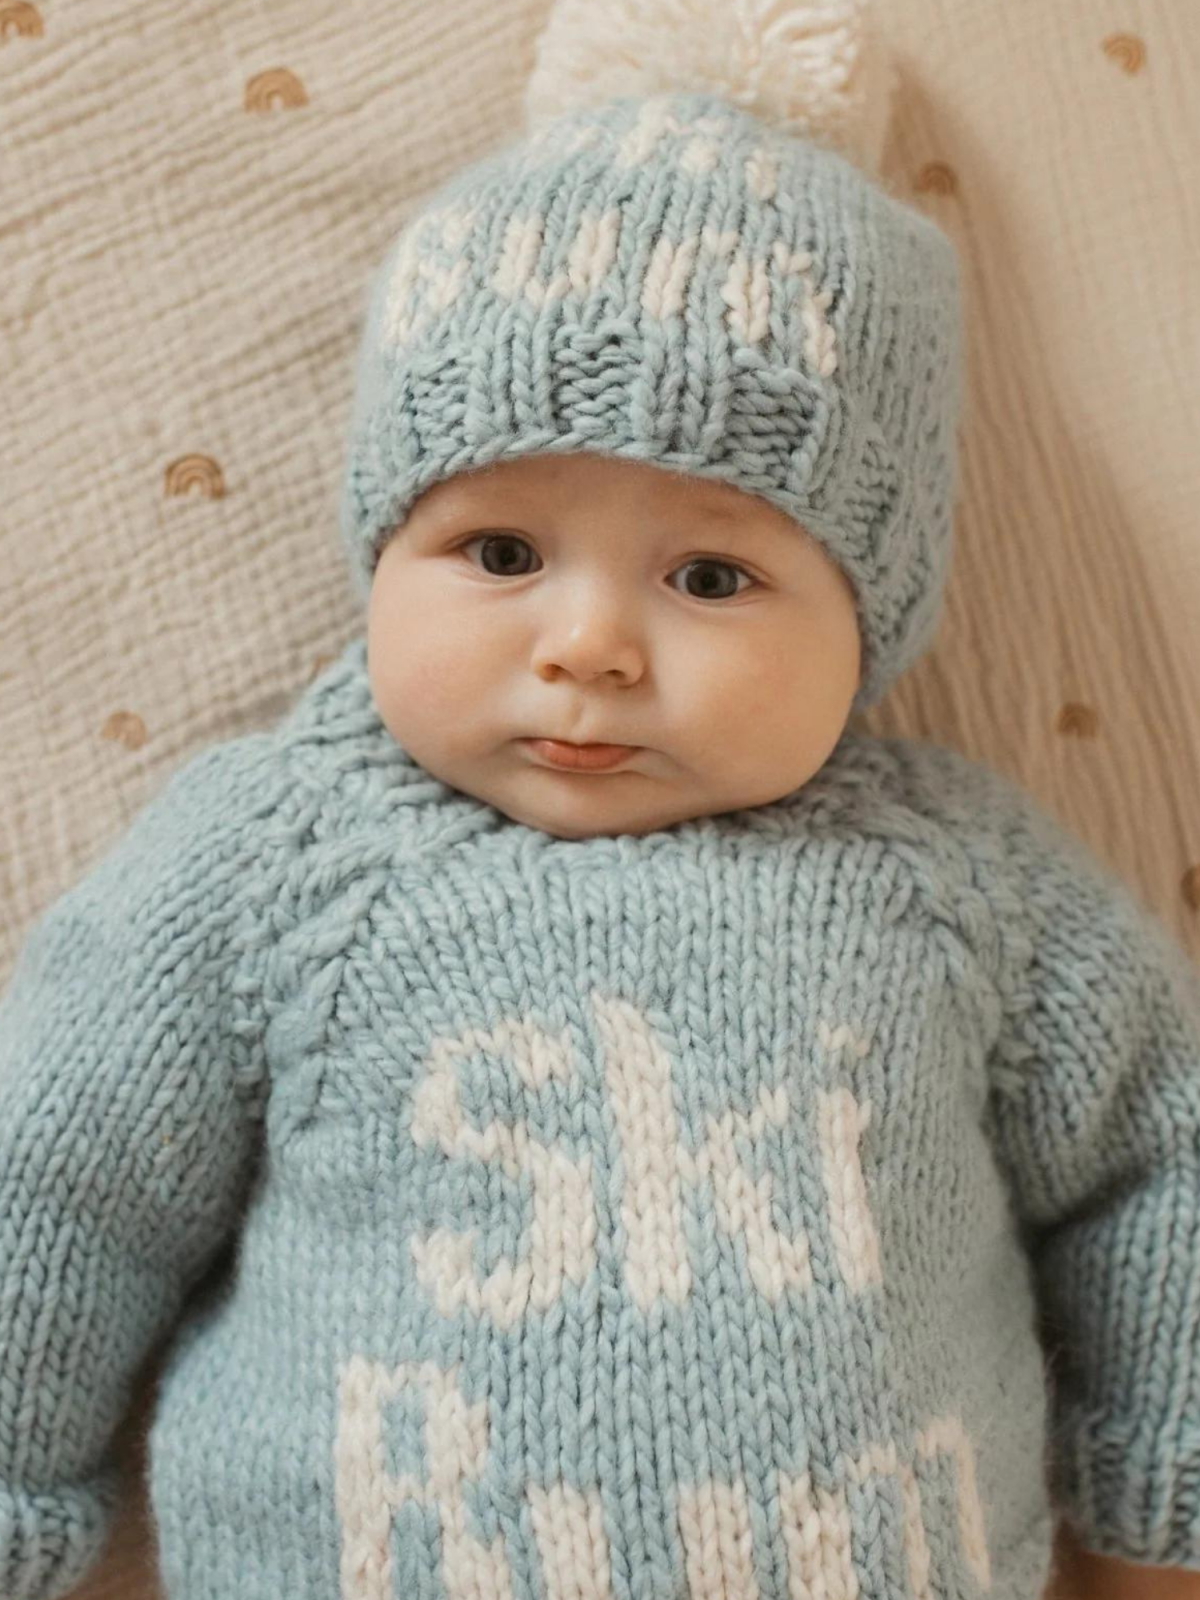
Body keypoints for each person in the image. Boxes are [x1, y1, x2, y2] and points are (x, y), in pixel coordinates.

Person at [2, 2, 1198, 1596]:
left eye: (712, 574)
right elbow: (59, 1184)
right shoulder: (272, 860)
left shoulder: (962, 884)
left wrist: (1155, 1505)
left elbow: (1156, 1167)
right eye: (499, 554)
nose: (588, 647)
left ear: (874, 614)